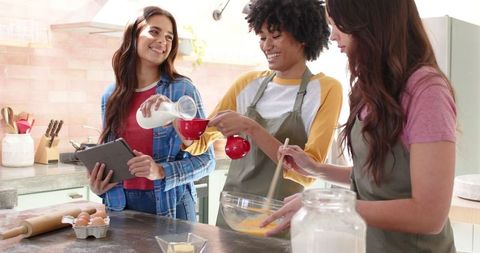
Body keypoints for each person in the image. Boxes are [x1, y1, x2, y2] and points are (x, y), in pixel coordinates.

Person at [262, 0, 457, 252]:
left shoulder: (427, 91)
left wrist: (322, 206)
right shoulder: (368, 89)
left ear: (368, 21)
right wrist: (316, 169)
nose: (332, 36)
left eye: (338, 25)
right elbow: (375, 177)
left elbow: (430, 215)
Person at [145, 0, 341, 230]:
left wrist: (251, 128)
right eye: (262, 37)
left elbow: (308, 172)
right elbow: (200, 142)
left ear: (303, 36)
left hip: (281, 220)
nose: (266, 45)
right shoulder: (248, 83)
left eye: (275, 35)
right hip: (233, 214)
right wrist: (174, 114)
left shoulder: (326, 89)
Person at [88, 6, 215, 221]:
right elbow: (110, 157)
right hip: (119, 206)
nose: (163, 42)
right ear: (133, 35)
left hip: (171, 207)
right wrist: (98, 184)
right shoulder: (111, 95)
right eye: (154, 32)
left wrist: (160, 171)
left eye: (169, 37)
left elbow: (207, 161)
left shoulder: (182, 91)